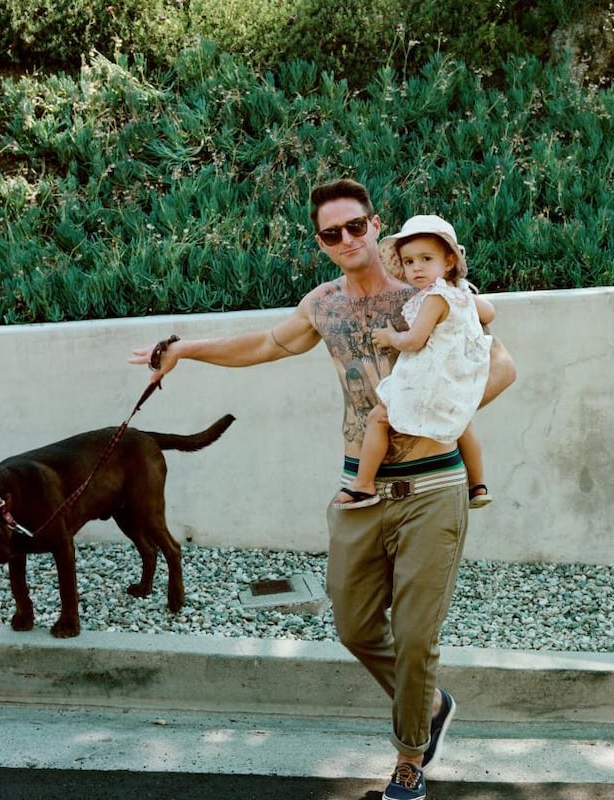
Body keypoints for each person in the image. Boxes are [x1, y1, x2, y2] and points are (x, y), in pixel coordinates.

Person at [129, 179, 516, 800]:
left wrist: (434, 418)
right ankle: (430, 704)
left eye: (356, 227)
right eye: (332, 233)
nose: (346, 240)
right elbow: (265, 344)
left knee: (417, 635)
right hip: (359, 487)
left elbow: (502, 364)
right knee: (356, 626)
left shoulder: (428, 296)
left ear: (376, 225)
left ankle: (409, 759)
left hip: (431, 484)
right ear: (321, 241)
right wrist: (186, 349)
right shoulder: (325, 304)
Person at [332, 214, 494, 511]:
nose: (416, 267)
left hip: (428, 380)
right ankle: (478, 484)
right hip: (457, 381)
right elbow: (490, 312)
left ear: (448, 262)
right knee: (461, 424)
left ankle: (364, 483)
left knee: (378, 418)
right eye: (408, 262)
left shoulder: (434, 298)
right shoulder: (461, 294)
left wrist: (390, 337)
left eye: (425, 258)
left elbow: (414, 341)